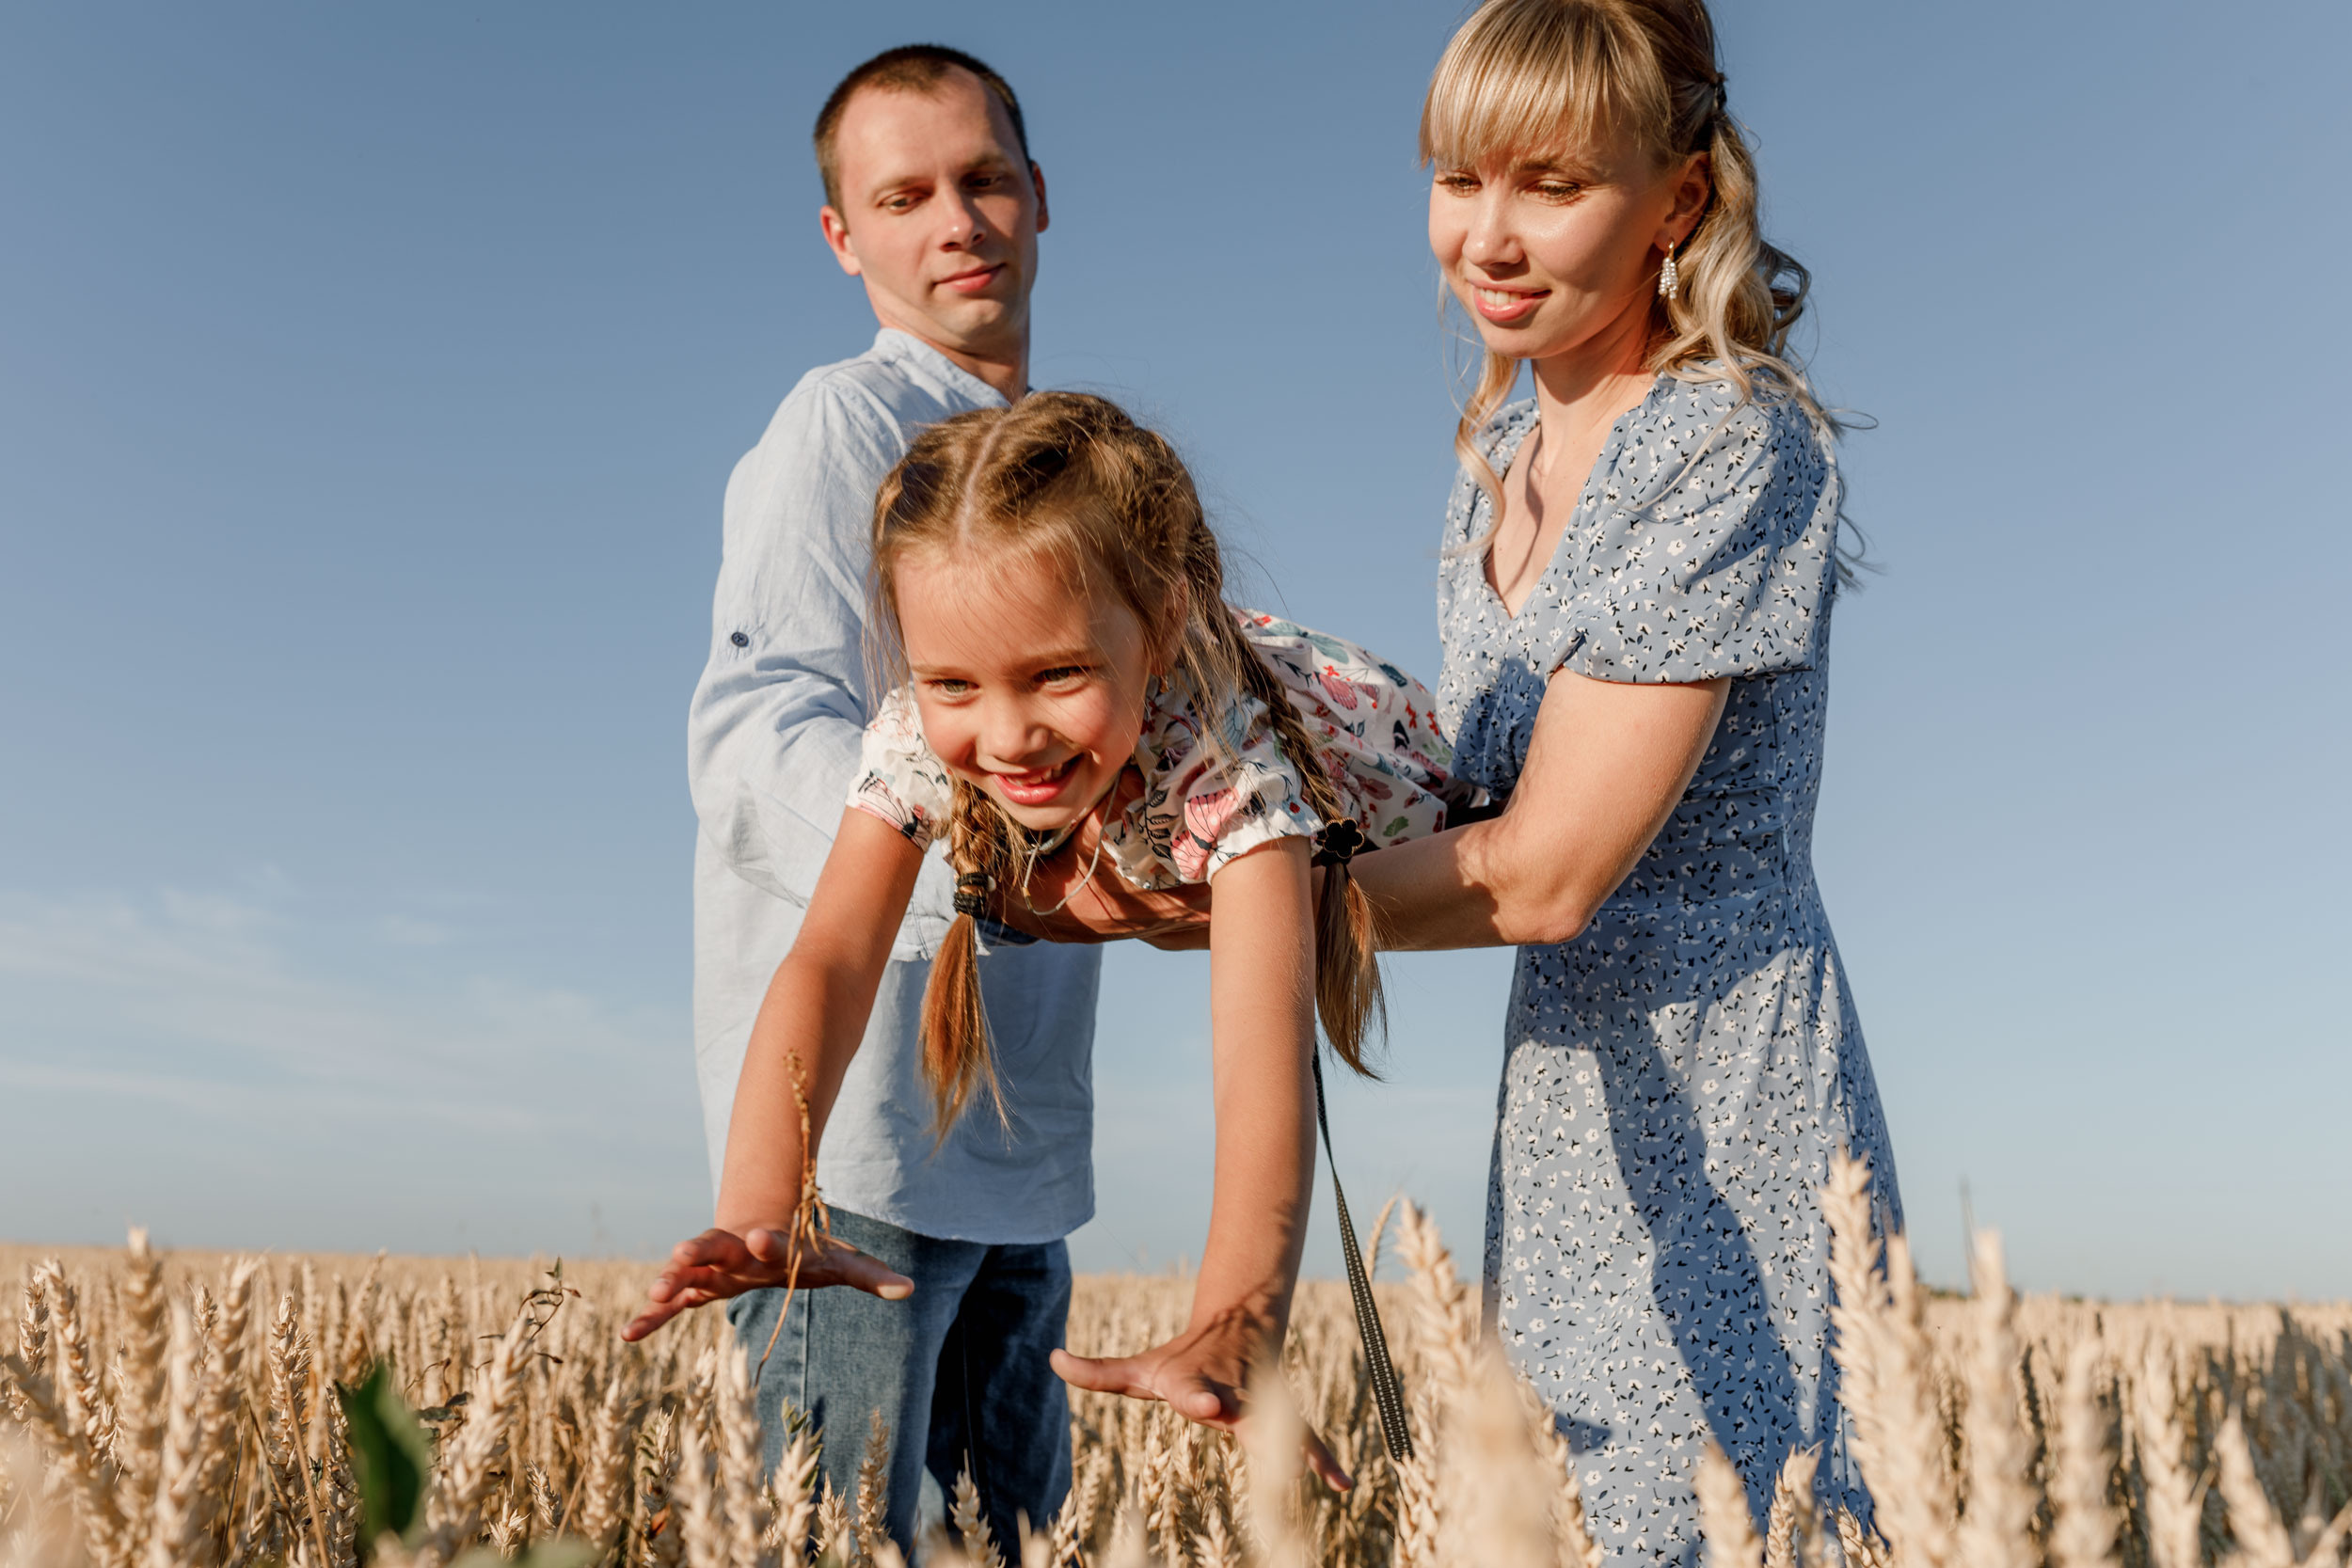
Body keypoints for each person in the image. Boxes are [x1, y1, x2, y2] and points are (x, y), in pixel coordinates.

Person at [1008, 1, 1902, 1560]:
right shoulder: (1493, 456)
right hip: (1565, 1090)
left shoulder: (1729, 447)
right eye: (1458, 177)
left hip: (1728, 1093)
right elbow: (1457, 813)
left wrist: (1227, 900)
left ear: (1676, 202)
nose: (1486, 235)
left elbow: (1548, 870)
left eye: (1551, 184)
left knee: (1732, 1521)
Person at [647, 389, 1470, 1535]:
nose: (1007, 735)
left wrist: (1236, 1315)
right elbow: (831, 956)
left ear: (1167, 620)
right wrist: (761, 1199)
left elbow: (1258, 1053)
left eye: (1055, 676)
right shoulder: (913, 736)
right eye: (953, 685)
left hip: (1438, 793)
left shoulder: (1226, 760)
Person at [665, 43, 1103, 1555]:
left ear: (1040, 196)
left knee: (1012, 1538)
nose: (957, 220)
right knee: (841, 1540)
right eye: (904, 194)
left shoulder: (1068, 469)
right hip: (850, 1148)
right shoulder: (837, 428)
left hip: (1019, 1134)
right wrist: (986, 860)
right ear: (845, 237)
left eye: (984, 179)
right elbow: (753, 739)